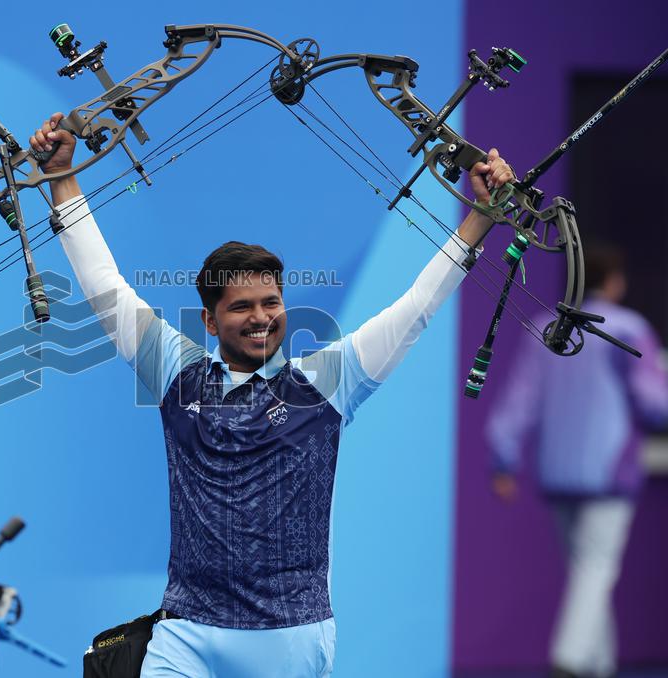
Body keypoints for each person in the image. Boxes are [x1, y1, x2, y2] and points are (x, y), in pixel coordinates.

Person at [29, 112, 512, 677]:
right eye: (241, 307)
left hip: (290, 637)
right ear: (210, 322)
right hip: (186, 631)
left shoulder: (326, 383)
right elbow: (104, 286)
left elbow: (417, 307)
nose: (261, 318)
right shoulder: (176, 374)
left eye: (271, 303)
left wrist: (480, 216)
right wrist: (62, 178)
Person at [487, 246, 668, 678]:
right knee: (595, 570)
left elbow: (518, 402)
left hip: (558, 474)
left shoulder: (544, 327)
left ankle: (598, 666)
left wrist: (504, 459)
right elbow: (655, 404)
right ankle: (568, 663)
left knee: (587, 573)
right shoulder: (627, 330)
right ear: (615, 281)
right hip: (610, 474)